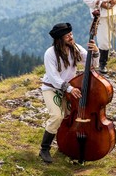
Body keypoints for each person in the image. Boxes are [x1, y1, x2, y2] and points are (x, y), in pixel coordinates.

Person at [38, 22, 98, 163]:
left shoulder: (75, 48)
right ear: (59, 39)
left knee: (69, 117)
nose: (71, 37)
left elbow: (92, 65)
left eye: (71, 34)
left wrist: (95, 52)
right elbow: (53, 78)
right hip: (52, 88)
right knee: (57, 116)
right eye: (67, 36)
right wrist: (70, 89)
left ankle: (64, 145)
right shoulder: (50, 53)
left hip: (70, 89)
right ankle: (44, 149)